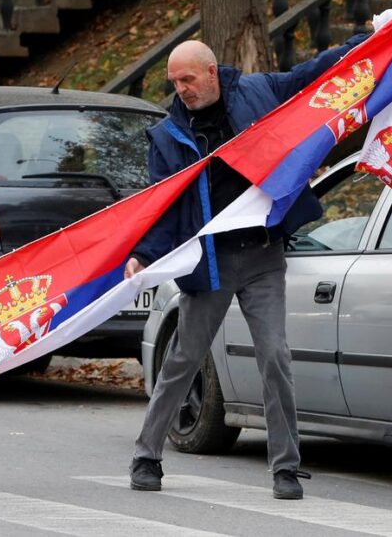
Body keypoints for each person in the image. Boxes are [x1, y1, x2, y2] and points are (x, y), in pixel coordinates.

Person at [125, 33, 368, 500]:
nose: (182, 89)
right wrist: (143, 256)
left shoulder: (256, 92)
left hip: (262, 255)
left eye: (189, 79)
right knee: (183, 359)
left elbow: (312, 72)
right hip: (209, 261)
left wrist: (370, 40)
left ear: (212, 72)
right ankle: (146, 456)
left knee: (275, 356)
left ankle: (285, 469)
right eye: (174, 82)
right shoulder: (168, 136)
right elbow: (163, 207)